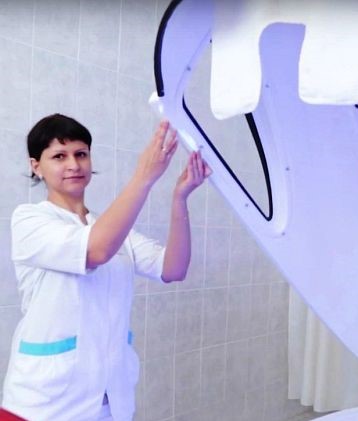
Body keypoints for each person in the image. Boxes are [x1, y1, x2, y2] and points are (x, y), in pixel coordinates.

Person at [1, 114, 210, 421]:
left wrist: (180, 198)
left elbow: (173, 268)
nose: (74, 164)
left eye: (81, 154)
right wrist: (143, 177)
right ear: (36, 166)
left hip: (109, 402)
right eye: (59, 156)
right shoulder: (29, 220)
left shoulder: (111, 229)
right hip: (44, 404)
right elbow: (96, 250)